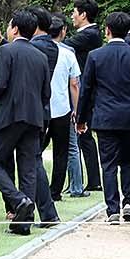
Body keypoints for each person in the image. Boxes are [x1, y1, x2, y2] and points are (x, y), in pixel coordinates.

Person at [78, 11, 130, 224]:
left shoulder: (95, 56)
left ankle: (112, 209)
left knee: (108, 164)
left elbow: (86, 90)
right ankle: (129, 202)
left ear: (107, 31)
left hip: (105, 117)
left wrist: (81, 118)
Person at [0, 9, 52, 234]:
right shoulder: (41, 56)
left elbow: (0, 84)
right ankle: (25, 221)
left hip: (9, 116)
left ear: (14, 29)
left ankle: (19, 200)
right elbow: (46, 93)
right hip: (34, 117)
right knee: (28, 168)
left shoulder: (5, 52)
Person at [66, 0, 104, 193]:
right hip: (83, 89)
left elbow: (64, 45)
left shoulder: (89, 34)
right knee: (82, 136)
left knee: (84, 134)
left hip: (85, 90)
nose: (72, 15)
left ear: (83, 14)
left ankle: (93, 180)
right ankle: (88, 179)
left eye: (74, 11)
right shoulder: (89, 33)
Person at [46, 17, 80, 202]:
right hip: (62, 108)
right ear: (63, 31)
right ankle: (55, 190)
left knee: (34, 150)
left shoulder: (39, 50)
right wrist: (76, 109)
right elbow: (74, 84)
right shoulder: (67, 54)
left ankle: (37, 186)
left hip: (42, 109)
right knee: (61, 152)